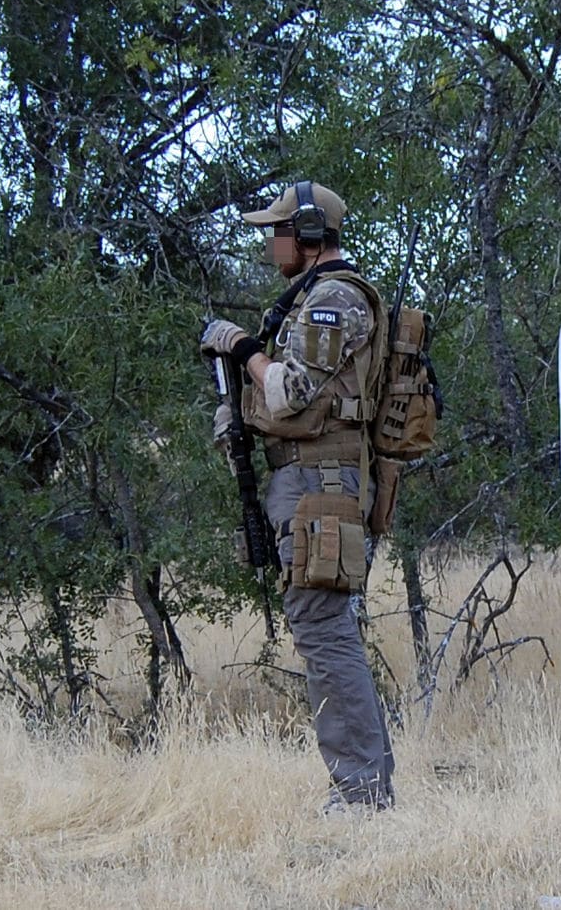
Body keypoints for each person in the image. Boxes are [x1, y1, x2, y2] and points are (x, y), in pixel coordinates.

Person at [200, 181, 395, 814]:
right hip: (306, 481)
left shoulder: (335, 297)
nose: (269, 241)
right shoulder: (309, 297)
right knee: (324, 628)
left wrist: (244, 349)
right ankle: (366, 788)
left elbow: (288, 391)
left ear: (308, 235)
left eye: (277, 229)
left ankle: (361, 795)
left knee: (322, 628)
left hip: (321, 484)